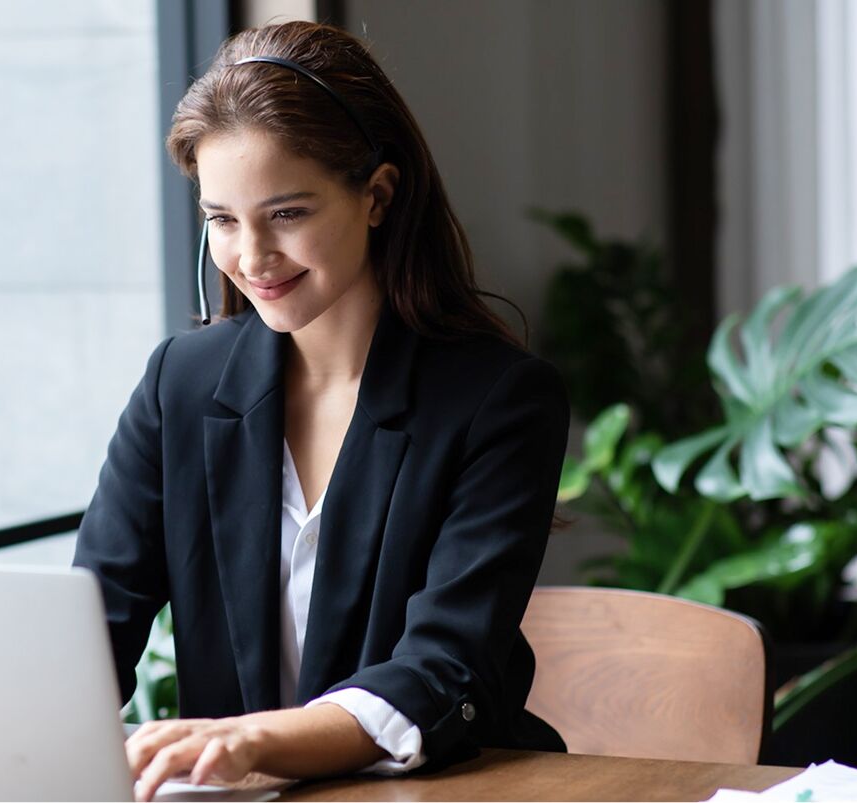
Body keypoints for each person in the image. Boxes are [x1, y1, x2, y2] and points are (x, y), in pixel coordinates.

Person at [71, 20, 569, 800]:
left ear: (376, 195)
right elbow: (89, 629)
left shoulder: (498, 401)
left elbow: (445, 667)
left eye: (288, 213)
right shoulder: (181, 383)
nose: (252, 257)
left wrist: (250, 738)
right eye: (222, 219)